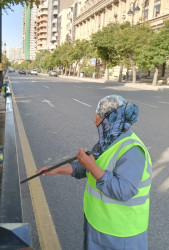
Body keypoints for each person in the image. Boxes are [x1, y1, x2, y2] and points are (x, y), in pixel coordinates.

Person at [37, 95, 152, 250]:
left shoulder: (132, 150)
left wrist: (91, 166)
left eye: (97, 117)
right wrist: (54, 170)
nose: (95, 121)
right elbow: (85, 167)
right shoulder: (109, 140)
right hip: (98, 224)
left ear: (109, 120)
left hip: (120, 234)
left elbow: (123, 190)